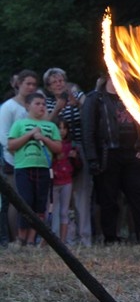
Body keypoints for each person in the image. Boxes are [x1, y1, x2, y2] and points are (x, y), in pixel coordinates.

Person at [82, 75, 140, 244]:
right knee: (108, 199)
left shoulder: (134, 97)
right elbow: (88, 130)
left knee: (138, 196)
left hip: (132, 153)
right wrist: (93, 158)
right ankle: (110, 237)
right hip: (108, 154)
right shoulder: (96, 99)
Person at [42, 68, 91, 246]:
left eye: (61, 80)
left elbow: (89, 109)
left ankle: (85, 238)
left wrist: (76, 98)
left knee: (82, 195)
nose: (58, 84)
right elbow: (44, 123)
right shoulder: (46, 103)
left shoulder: (77, 98)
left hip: (78, 148)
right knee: (57, 197)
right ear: (48, 86)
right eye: (54, 82)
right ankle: (59, 238)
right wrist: (57, 108)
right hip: (56, 152)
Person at [6, 93, 61, 245]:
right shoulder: (19, 124)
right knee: (26, 202)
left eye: (43, 104)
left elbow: (58, 148)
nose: (41, 107)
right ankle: (21, 237)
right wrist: (30, 134)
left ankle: (32, 239)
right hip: (24, 167)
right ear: (27, 106)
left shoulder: (51, 126)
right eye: (37, 104)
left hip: (43, 168)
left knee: (40, 204)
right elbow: (11, 145)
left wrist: (44, 138)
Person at [0, 70, 39, 247]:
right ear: (19, 84)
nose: (31, 87)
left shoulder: (36, 105)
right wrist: (17, 149)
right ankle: (16, 239)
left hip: (35, 160)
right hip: (13, 160)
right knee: (16, 201)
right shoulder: (8, 107)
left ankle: (30, 238)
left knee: (32, 201)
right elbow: (3, 136)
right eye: (27, 84)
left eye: (34, 84)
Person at [49, 119, 80, 243]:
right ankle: (51, 238)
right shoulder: (51, 145)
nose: (61, 131)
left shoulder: (71, 145)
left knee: (64, 211)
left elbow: (77, 165)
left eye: (64, 128)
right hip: (53, 182)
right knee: (50, 211)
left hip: (67, 180)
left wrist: (75, 157)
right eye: (59, 128)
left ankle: (62, 240)